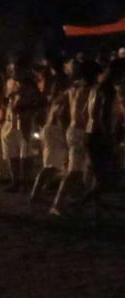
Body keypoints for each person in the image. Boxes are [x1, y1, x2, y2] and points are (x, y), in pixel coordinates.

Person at [77, 59, 125, 219]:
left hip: (91, 135)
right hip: (100, 137)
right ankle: (80, 204)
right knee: (109, 179)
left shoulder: (97, 88)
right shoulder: (109, 90)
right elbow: (104, 116)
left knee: (99, 178)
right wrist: (109, 137)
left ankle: (95, 215)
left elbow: (84, 112)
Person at [51, 61, 99, 216]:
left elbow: (57, 102)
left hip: (72, 130)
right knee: (74, 171)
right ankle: (57, 204)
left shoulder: (74, 88)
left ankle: (78, 200)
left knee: (82, 169)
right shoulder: (89, 90)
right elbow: (86, 113)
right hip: (80, 131)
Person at [0, 63, 41, 192]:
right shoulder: (9, 83)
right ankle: (15, 181)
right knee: (11, 154)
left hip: (25, 122)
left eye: (17, 70)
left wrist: (25, 107)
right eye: (13, 70)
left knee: (26, 155)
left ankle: (26, 183)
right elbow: (4, 100)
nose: (15, 73)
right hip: (10, 122)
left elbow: (38, 104)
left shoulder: (31, 86)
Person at [29, 69, 69, 202]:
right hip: (55, 131)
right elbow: (61, 117)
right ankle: (36, 193)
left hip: (51, 131)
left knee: (56, 165)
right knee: (51, 166)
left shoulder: (55, 99)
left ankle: (44, 190)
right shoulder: (63, 98)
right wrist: (64, 134)